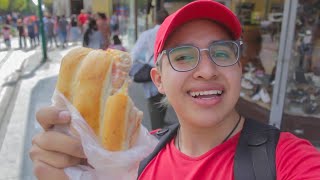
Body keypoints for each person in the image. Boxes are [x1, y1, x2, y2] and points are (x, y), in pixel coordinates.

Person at [30, 1, 320, 179]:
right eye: (183, 56)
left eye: (221, 53)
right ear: (158, 80)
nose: (206, 70)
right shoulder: (135, 156)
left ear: (239, 68)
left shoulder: (285, 160)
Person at [131, 9, 169, 130]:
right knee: (165, 100)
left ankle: (158, 134)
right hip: (169, 73)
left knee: (154, 103)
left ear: (154, 20)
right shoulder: (172, 33)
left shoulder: (147, 35)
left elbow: (134, 55)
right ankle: (162, 125)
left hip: (153, 75)